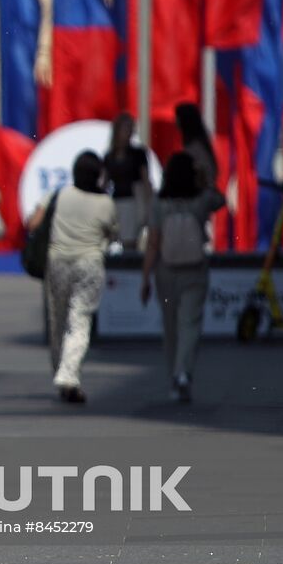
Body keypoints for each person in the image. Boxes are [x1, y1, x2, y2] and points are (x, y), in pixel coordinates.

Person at [28, 150, 118, 404]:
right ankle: (69, 374)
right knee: (79, 320)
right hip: (89, 262)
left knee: (57, 320)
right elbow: (113, 234)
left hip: (58, 261)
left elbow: (34, 222)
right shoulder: (106, 203)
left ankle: (62, 372)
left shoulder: (61, 194)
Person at [139, 151, 225, 403]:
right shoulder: (201, 200)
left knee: (171, 326)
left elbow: (153, 242)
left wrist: (145, 278)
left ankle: (174, 376)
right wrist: (204, 178)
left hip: (166, 271)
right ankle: (183, 372)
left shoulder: (159, 202)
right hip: (195, 269)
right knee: (190, 323)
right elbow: (220, 200)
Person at [103, 113, 150, 248]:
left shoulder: (138, 154)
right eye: (125, 129)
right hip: (116, 200)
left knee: (130, 241)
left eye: (131, 129)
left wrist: (148, 204)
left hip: (133, 201)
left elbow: (145, 180)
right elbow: (105, 182)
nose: (128, 133)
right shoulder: (109, 156)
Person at [175, 102, 218, 191]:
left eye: (178, 119)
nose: (176, 123)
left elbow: (207, 175)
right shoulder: (195, 144)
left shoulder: (196, 147)